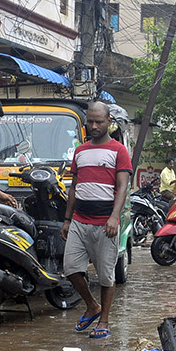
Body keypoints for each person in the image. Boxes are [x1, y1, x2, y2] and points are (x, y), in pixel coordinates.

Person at [60, 101, 131, 337]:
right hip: (79, 221)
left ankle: (104, 321)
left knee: (106, 275)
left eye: (98, 122)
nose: (93, 126)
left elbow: (122, 188)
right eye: (90, 121)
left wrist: (114, 217)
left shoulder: (119, 151)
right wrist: (67, 219)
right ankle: (92, 305)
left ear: (109, 121)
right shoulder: (80, 151)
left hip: (105, 224)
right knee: (70, 268)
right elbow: (74, 187)